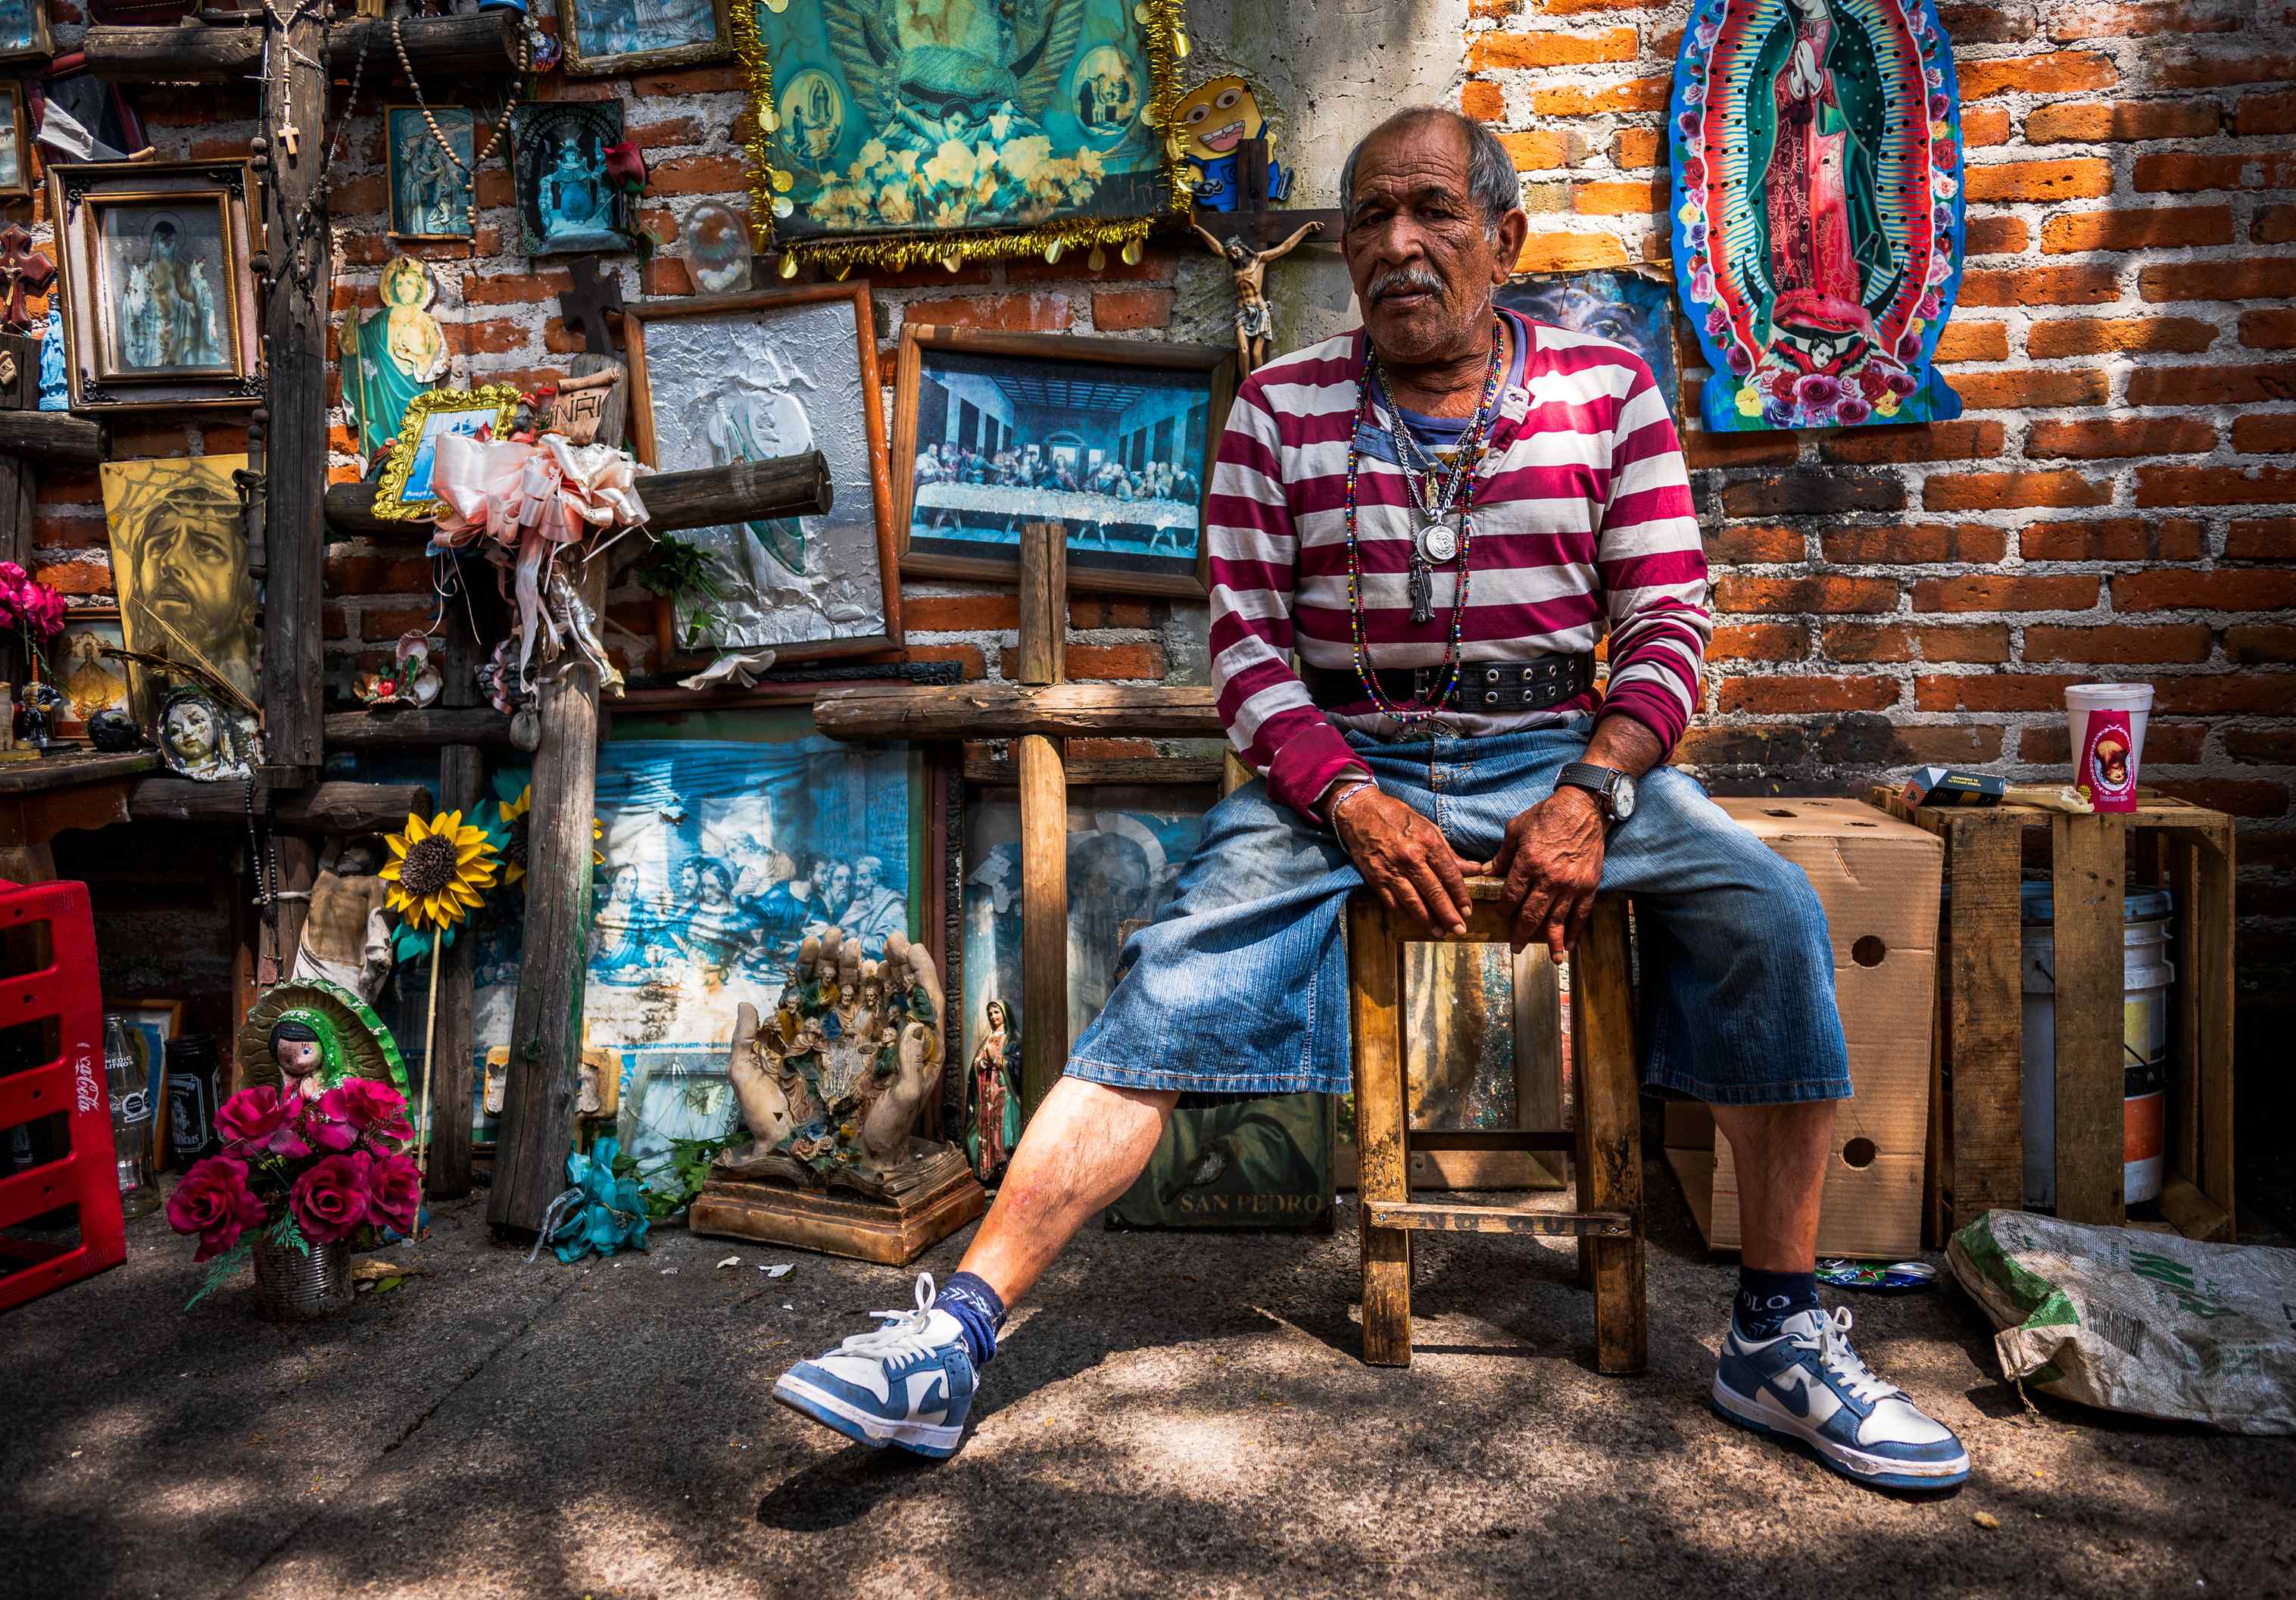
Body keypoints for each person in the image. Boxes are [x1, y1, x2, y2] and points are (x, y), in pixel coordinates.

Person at [772, 106, 1970, 1494]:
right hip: (1341, 764)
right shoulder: (1281, 408)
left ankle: (1775, 1334)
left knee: (1768, 906)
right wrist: (1343, 795)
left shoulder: (1609, 395)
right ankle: (951, 1339)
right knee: (1171, 967)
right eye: (1371, 221)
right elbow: (1246, 650)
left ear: (1504, 240)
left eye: (1434, 212)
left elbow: (1665, 628)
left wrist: (1591, 791)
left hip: (1557, 757)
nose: (1400, 245)